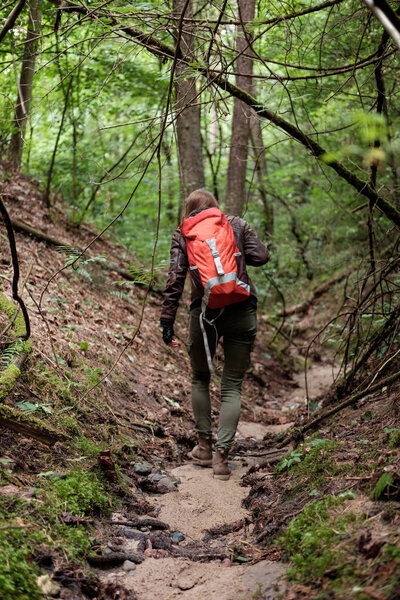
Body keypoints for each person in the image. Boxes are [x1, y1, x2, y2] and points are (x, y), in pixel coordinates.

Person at [160, 190, 269, 480]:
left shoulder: (183, 233)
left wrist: (167, 320)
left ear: (189, 209)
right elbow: (261, 257)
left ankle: (204, 447)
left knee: (200, 378)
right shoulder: (237, 224)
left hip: (204, 311)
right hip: (242, 307)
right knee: (232, 385)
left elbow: (175, 277)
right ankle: (222, 459)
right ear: (215, 207)